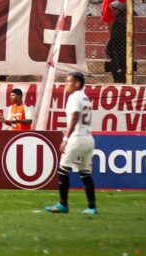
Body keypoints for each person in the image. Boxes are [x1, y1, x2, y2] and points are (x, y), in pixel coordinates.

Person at [45, 72, 97, 216]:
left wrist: (65, 139)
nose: (65, 84)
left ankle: (63, 204)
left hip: (77, 139)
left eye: (69, 81)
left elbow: (74, 117)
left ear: (77, 84)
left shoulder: (74, 97)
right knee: (85, 173)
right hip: (88, 139)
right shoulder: (85, 98)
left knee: (63, 170)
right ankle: (92, 207)